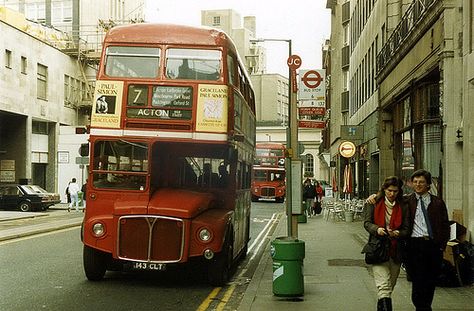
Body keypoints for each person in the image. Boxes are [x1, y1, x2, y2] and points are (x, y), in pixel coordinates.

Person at [367, 169, 450, 311]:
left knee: (430, 281)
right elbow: (387, 197)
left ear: (428, 184)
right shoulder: (406, 201)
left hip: (432, 246)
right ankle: (421, 307)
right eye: (415, 182)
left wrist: (441, 245)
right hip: (413, 245)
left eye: (422, 182)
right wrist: (374, 196)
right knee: (416, 281)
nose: (418, 185)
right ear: (411, 184)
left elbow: (444, 225)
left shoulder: (437, 203)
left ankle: (425, 306)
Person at [364, 176, 410, 311]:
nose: (392, 194)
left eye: (395, 191)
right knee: (383, 286)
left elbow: (406, 229)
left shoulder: (403, 205)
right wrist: (377, 229)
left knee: (389, 286)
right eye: (389, 190)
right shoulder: (373, 202)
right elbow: (367, 223)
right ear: (384, 190)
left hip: (396, 251)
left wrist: (398, 233)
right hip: (378, 249)